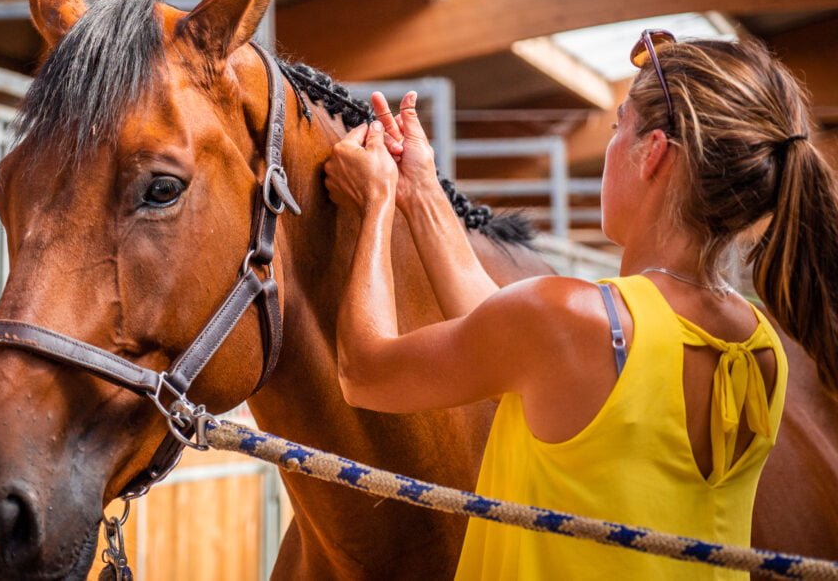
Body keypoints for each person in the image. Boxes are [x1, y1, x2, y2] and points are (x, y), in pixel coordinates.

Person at [322, 31, 838, 579]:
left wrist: (376, 204)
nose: (612, 145)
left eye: (619, 127)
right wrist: (420, 190)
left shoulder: (574, 320)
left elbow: (366, 373)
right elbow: (507, 336)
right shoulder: (761, 346)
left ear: (654, 153)